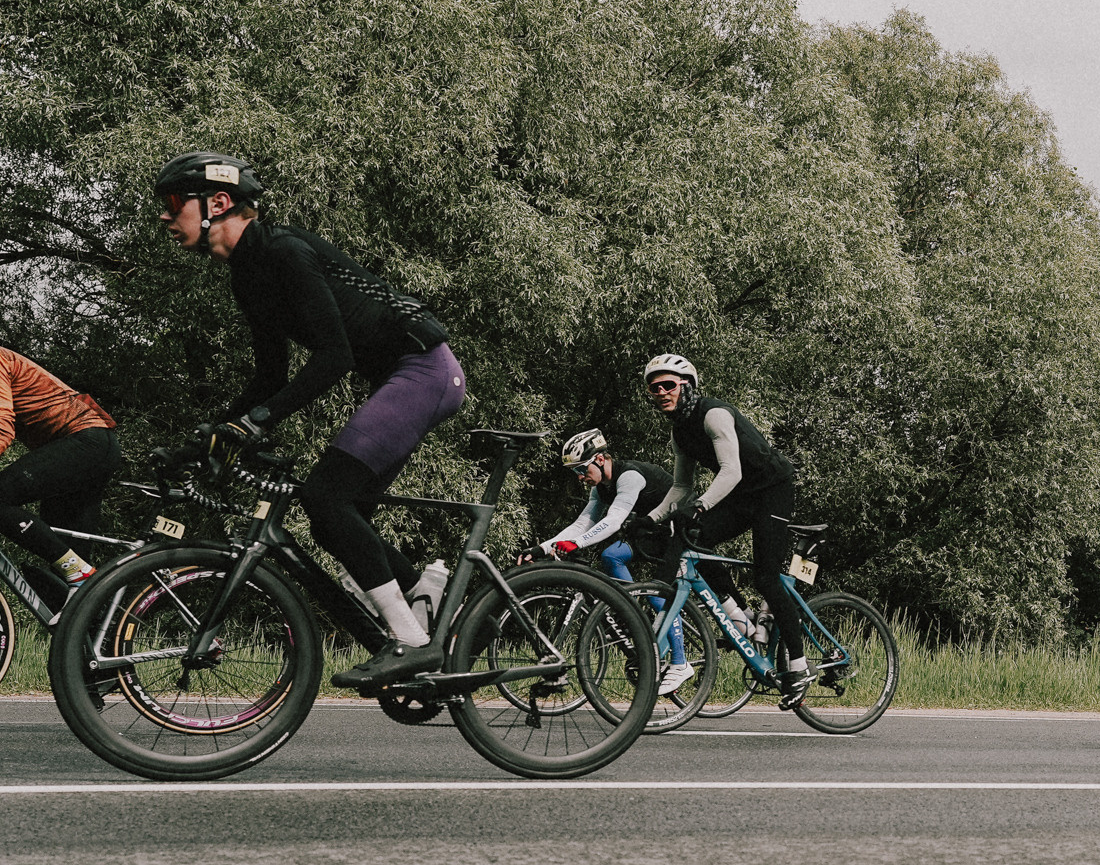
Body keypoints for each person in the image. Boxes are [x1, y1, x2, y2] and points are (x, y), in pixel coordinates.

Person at [155, 152, 465, 689]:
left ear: (218, 204)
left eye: (173, 204)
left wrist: (255, 423)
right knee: (333, 517)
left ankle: (411, 643)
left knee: (325, 497)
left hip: (423, 370)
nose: (165, 216)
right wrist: (209, 435)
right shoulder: (247, 275)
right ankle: (426, 590)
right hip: (403, 377)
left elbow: (334, 357)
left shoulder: (284, 252)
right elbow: (270, 377)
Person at [640, 354, 813, 706]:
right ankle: (740, 616)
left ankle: (798, 665)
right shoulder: (680, 432)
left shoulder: (714, 415)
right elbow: (680, 487)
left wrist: (701, 506)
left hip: (771, 491)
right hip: (740, 497)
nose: (660, 391)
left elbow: (730, 471)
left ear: (686, 385)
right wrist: (651, 518)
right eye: (654, 387)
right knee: (695, 542)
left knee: (767, 577)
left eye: (668, 385)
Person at [542, 430, 693, 695]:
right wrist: (542, 548)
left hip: (677, 532)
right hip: (651, 532)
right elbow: (583, 523)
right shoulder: (600, 487)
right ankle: (633, 615)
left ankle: (681, 663)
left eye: (580, 469)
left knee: (659, 592)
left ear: (599, 459)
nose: (579, 477)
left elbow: (612, 521)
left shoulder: (629, 476)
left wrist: (576, 544)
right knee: (611, 556)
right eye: (573, 472)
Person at [0, 346, 121, 606]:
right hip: (90, 446)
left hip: (86, 442)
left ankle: (80, 575)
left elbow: (2, 429)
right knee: (67, 590)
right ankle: (91, 639)